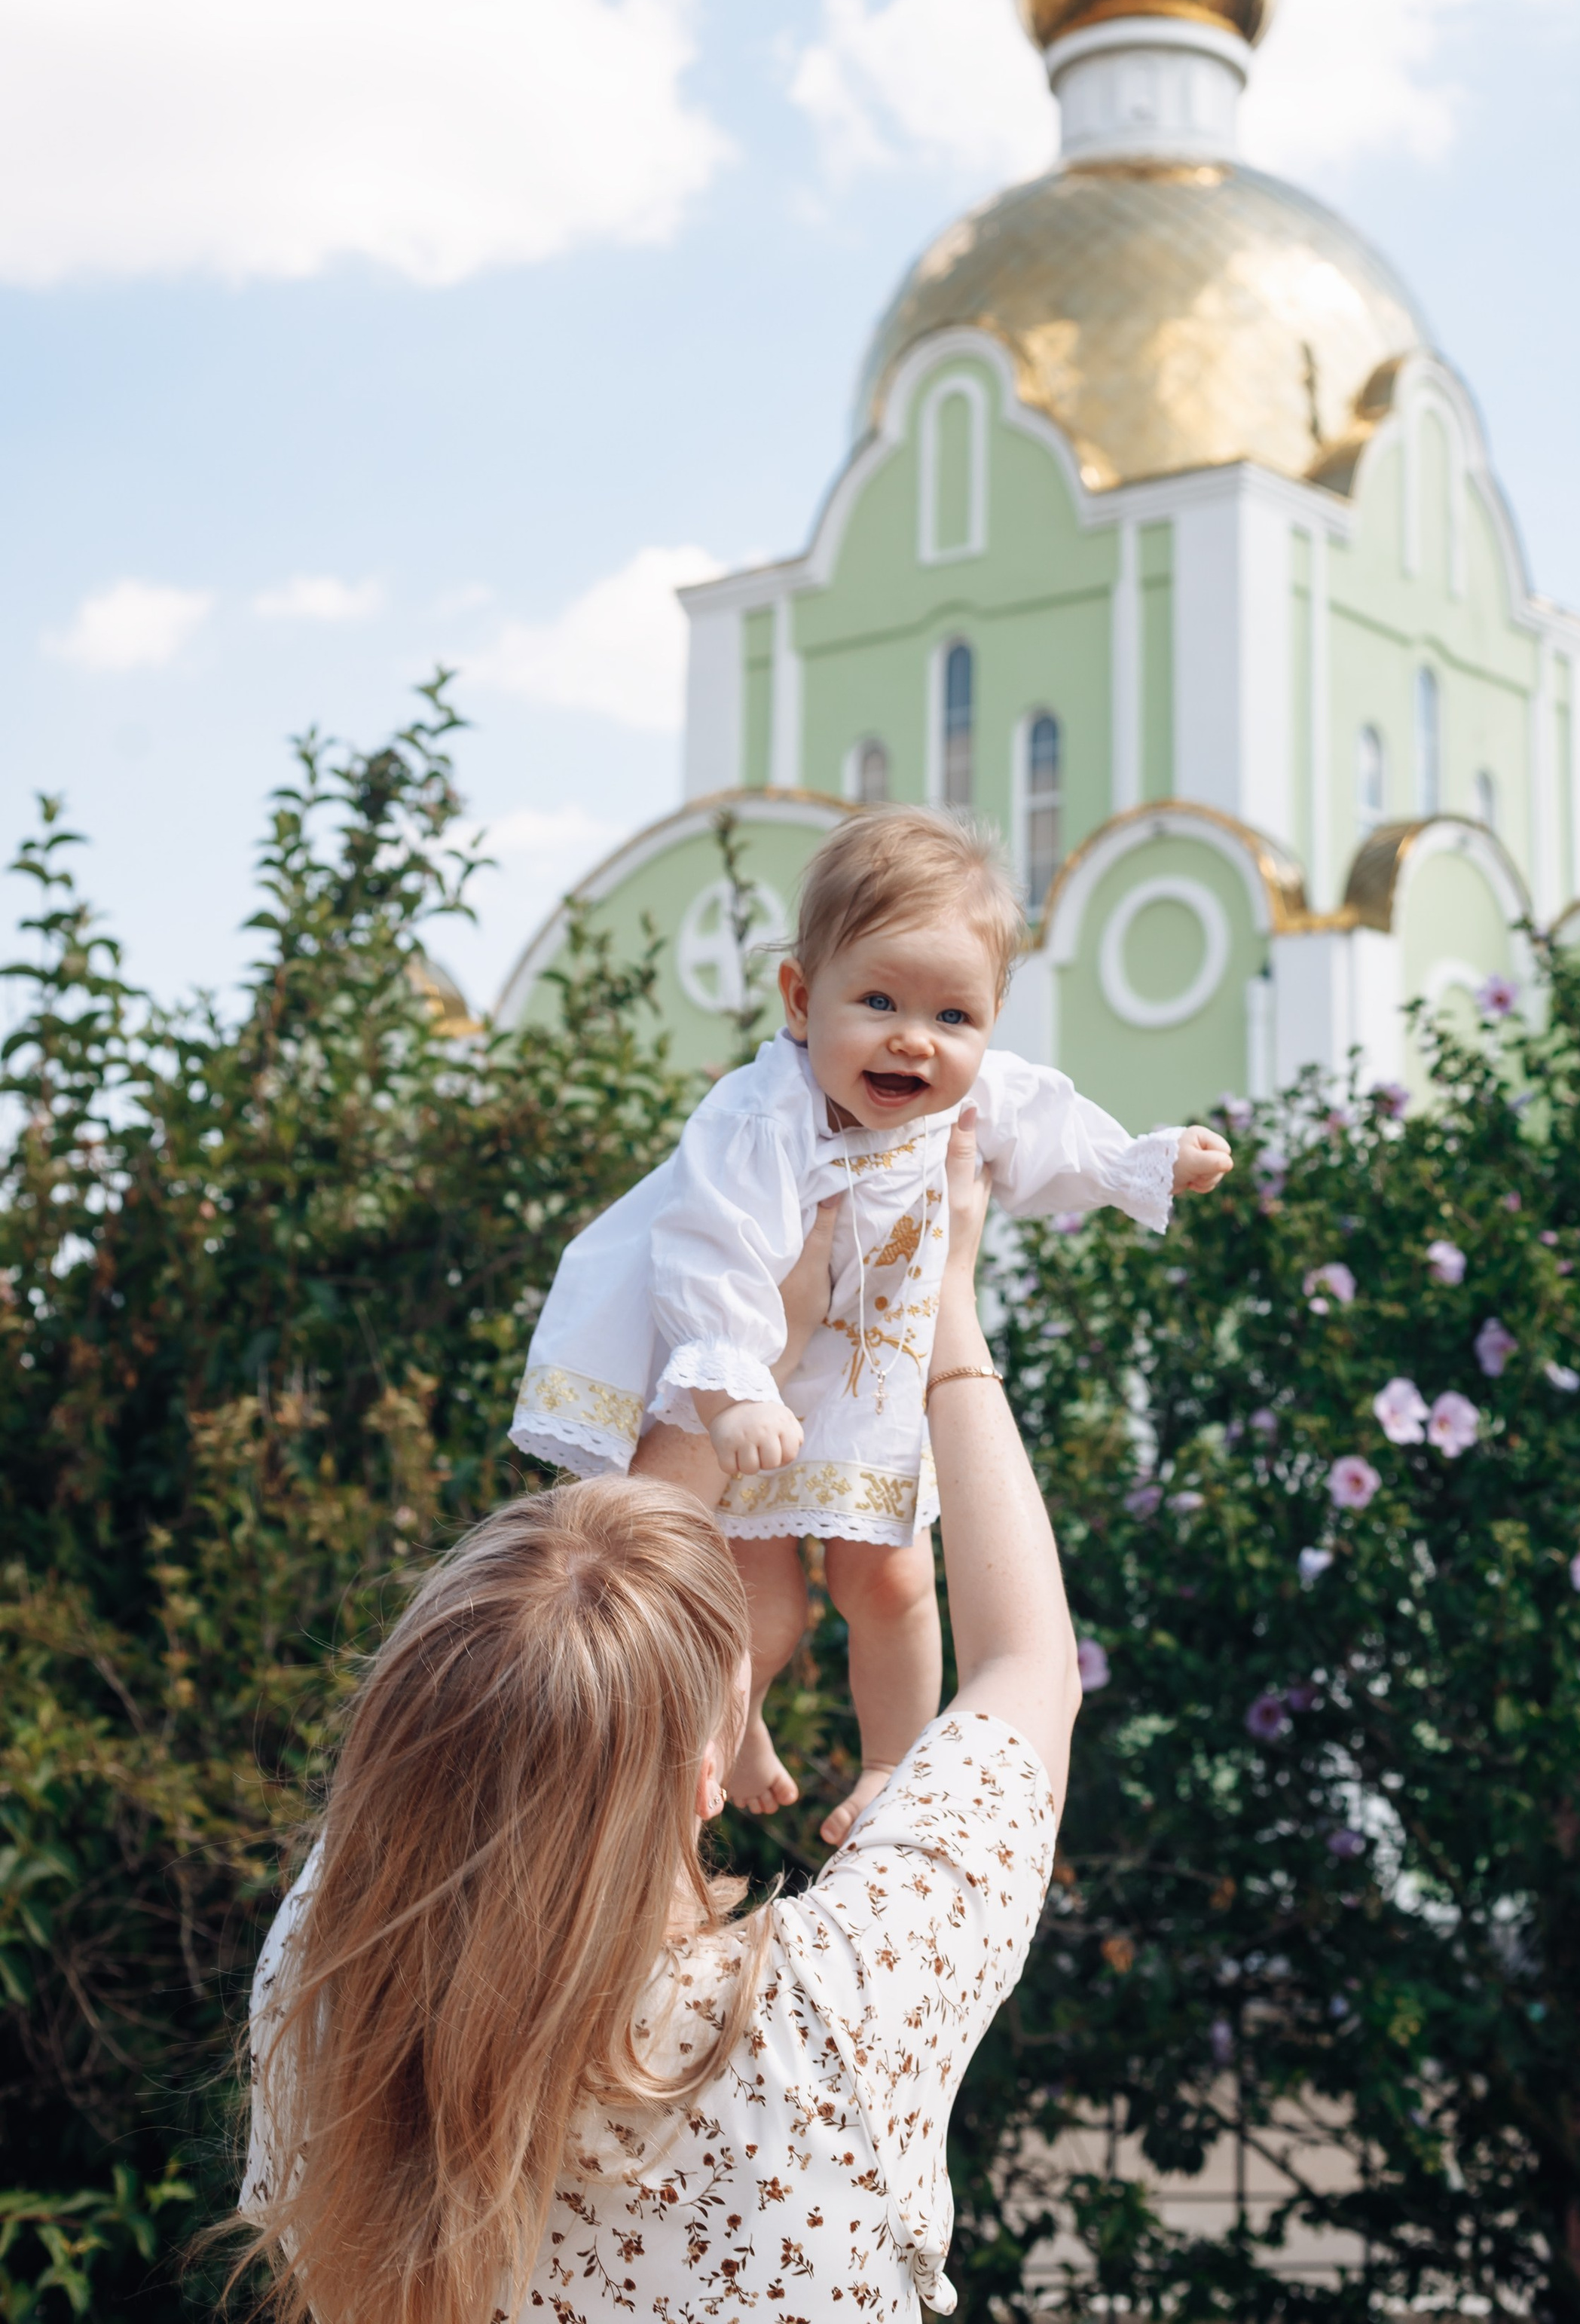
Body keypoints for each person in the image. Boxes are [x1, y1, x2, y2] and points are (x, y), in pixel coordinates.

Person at [237, 1115, 1077, 2323]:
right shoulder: (828, 2013)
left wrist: (741, 1348)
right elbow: (1029, 1664)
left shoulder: (324, 1989)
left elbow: (587, 1602)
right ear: (701, 1777)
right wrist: (943, 1316)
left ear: (389, 1753)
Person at [509, 803, 1230, 1842]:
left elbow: (1058, 1136)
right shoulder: (763, 1117)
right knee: (757, 1608)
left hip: (865, 1393)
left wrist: (1146, 1164)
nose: (913, 1040)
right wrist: (731, 1388)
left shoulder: (969, 1105)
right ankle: (726, 1731)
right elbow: (707, 1251)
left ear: (989, 1023)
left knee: (890, 1580)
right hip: (745, 1392)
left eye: (955, 1018)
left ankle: (891, 1762)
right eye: (880, 1000)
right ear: (803, 1001)